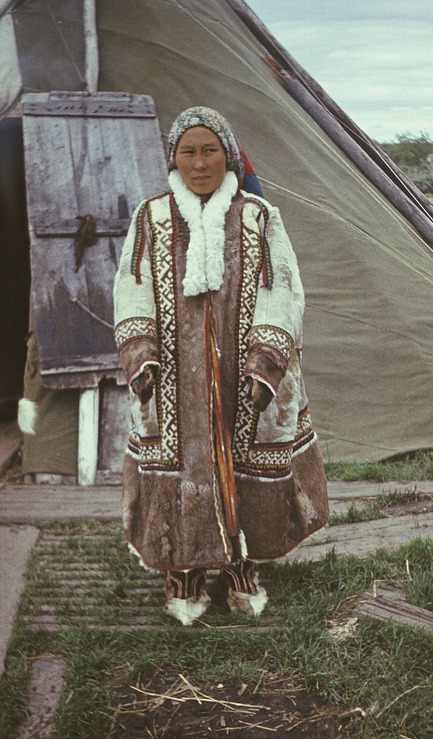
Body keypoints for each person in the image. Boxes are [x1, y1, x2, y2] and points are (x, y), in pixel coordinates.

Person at [113, 106, 329, 625]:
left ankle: (240, 564)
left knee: (243, 466)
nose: (199, 162)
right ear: (175, 157)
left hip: (242, 374)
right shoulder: (152, 217)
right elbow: (132, 286)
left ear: (227, 153)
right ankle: (183, 568)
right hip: (172, 380)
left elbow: (282, 290)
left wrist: (266, 363)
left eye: (209, 149)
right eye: (188, 151)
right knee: (179, 469)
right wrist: (140, 353)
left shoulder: (257, 216)